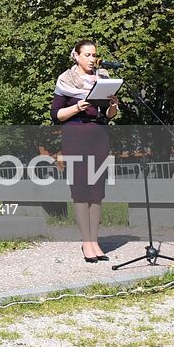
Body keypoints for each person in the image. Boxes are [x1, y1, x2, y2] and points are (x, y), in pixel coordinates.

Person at [51, 38, 119, 262]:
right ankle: (86, 243)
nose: (92, 59)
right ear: (76, 56)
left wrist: (112, 106)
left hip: (99, 136)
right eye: (87, 55)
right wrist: (76, 107)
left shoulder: (104, 78)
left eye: (94, 55)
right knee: (81, 190)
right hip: (75, 135)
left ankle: (96, 241)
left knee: (97, 191)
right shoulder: (66, 79)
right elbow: (57, 115)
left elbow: (108, 117)